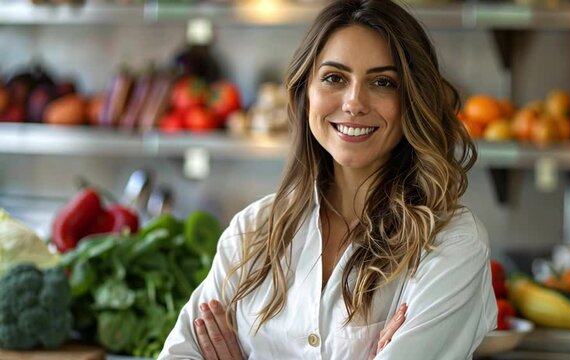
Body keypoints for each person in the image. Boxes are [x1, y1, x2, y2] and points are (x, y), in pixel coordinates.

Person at [158, 0, 497, 359]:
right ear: (307, 93)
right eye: (334, 78)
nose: (354, 102)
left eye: (382, 82)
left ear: (412, 100)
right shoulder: (251, 233)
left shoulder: (451, 244)